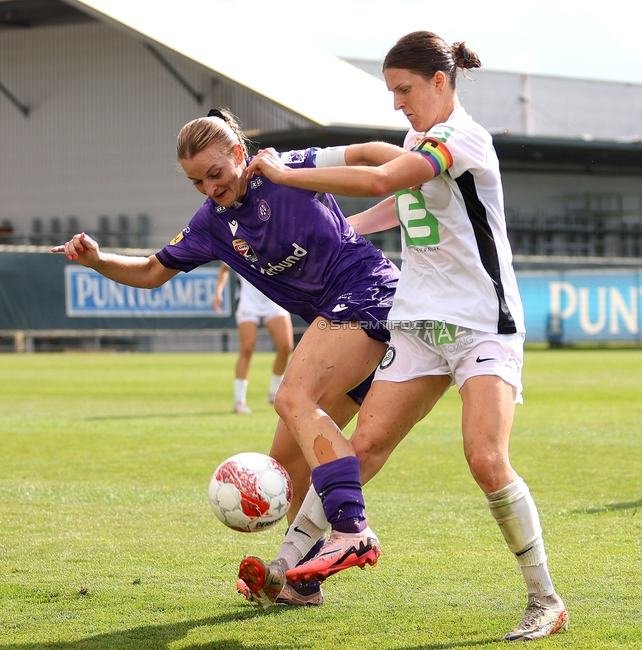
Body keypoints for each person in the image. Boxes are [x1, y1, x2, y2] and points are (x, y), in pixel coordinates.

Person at [239, 31, 567, 641]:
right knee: (363, 446)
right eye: (391, 91)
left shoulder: (461, 138)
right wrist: (341, 234)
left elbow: (381, 179)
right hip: (418, 323)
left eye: (404, 90)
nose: (397, 103)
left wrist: (285, 174)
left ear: (440, 82)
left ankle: (545, 599)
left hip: (480, 324)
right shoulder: (421, 137)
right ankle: (292, 571)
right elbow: (396, 204)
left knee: (485, 458)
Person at [52, 108, 405, 606]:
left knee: (292, 396)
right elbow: (152, 272)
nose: (208, 187)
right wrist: (95, 260)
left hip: (370, 291)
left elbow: (369, 155)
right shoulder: (211, 225)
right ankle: (302, 581)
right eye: (197, 181)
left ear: (239, 153)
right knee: (286, 463)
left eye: (215, 173)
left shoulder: (287, 168)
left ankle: (352, 527)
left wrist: (423, 165)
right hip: (339, 322)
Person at [214, 263, 294, 414]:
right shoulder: (239, 245)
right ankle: (239, 401)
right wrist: (219, 292)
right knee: (247, 348)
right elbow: (224, 267)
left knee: (286, 347)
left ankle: (273, 393)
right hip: (248, 303)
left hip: (274, 301)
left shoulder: (277, 244)